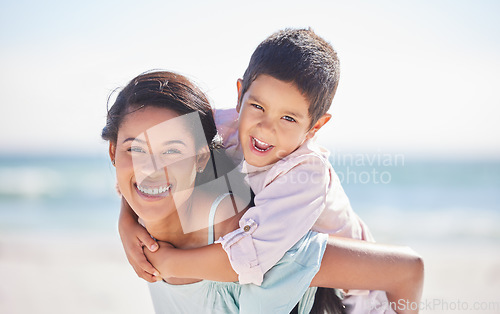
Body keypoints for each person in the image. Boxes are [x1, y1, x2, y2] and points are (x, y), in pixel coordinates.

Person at [118, 28, 423, 313]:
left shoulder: (306, 175)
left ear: (315, 127)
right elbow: (155, 158)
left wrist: (168, 263)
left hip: (354, 293)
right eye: (258, 107)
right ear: (240, 96)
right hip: (295, 276)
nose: (265, 129)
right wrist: (126, 219)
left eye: (288, 119)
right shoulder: (226, 124)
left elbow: (249, 256)